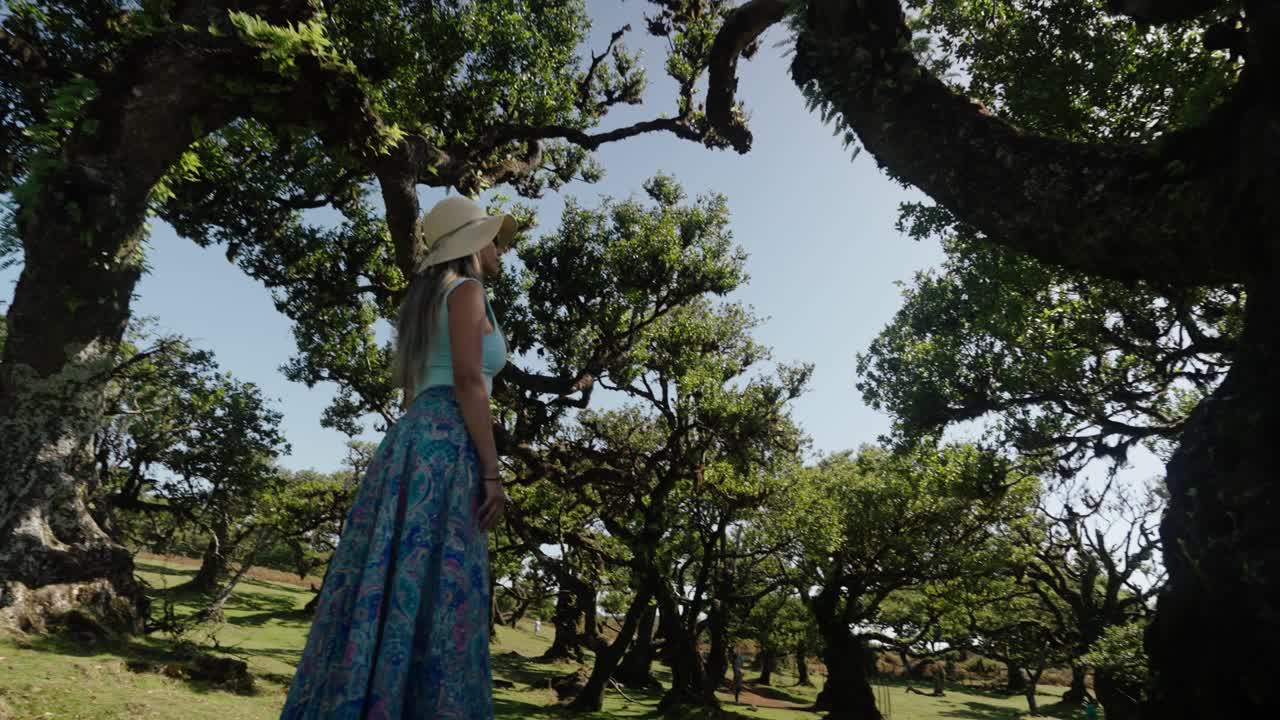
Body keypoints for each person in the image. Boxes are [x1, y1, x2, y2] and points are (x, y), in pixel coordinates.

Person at [280, 195, 516, 719]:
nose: (503, 249)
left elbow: (418, 390)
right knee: (443, 577)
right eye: (496, 239)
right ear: (474, 244)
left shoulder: (427, 297)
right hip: (447, 442)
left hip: (413, 440)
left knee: (398, 568)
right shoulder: (468, 291)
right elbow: (469, 380)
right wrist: (491, 470)